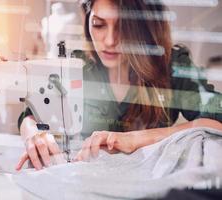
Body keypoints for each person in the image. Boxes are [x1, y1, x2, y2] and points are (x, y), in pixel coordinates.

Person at [16, 0, 222, 171]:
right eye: (99, 24)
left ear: (143, 28)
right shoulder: (79, 66)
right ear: (88, 21)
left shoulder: (171, 64)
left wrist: (136, 138)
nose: (110, 40)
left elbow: (216, 119)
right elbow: (32, 114)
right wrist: (34, 134)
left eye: (123, 27)